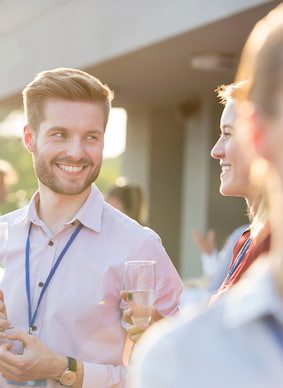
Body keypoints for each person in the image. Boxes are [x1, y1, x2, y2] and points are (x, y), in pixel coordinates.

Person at [0, 67, 183, 387]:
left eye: (91, 137)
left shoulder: (139, 247)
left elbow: (171, 374)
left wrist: (64, 369)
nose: (76, 152)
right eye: (60, 134)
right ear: (30, 138)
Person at [129, 5, 283, 388]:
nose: (215, 150)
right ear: (259, 134)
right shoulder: (180, 359)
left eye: (227, 134)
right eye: (225, 133)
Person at [208, 81, 271, 301]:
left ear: (259, 141)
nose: (215, 151)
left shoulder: (272, 244)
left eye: (228, 134)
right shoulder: (247, 240)